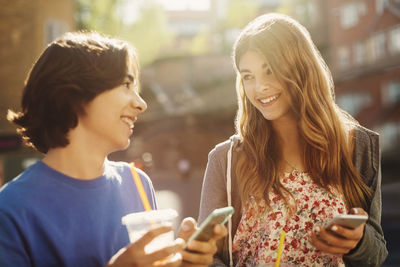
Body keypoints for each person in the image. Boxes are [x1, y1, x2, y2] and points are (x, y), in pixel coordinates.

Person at [0, 31, 226, 267]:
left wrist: (185, 263)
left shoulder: (138, 183)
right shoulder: (11, 210)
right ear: (74, 94)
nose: (141, 104)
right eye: (126, 85)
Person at [198, 13, 387, 267]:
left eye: (270, 71)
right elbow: (205, 256)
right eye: (248, 76)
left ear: (299, 68)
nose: (260, 87)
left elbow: (377, 255)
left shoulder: (357, 146)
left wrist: (359, 241)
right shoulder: (226, 159)